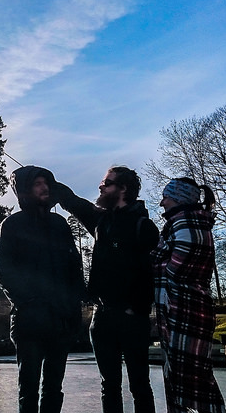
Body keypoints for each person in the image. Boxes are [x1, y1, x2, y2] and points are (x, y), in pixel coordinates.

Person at [52, 166, 159, 413]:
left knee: (139, 385)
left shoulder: (144, 226)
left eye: (107, 183)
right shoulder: (102, 221)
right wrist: (47, 181)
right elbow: (73, 202)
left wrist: (137, 309)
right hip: (102, 319)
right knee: (108, 385)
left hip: (134, 319)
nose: (101, 187)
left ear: (123, 189)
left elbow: (152, 274)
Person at [0, 165, 86, 413]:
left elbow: (74, 267)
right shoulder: (11, 225)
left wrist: (74, 306)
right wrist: (29, 302)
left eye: (46, 183)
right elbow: (2, 270)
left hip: (62, 320)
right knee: (29, 388)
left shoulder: (59, 224)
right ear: (24, 190)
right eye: (37, 184)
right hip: (30, 322)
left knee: (54, 388)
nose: (44, 188)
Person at [151, 177, 225, 413]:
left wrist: (155, 258)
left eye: (166, 196)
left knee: (194, 379)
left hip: (186, 311)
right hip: (179, 311)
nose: (162, 202)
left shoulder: (187, 223)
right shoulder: (182, 223)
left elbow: (178, 268)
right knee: (182, 376)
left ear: (178, 198)